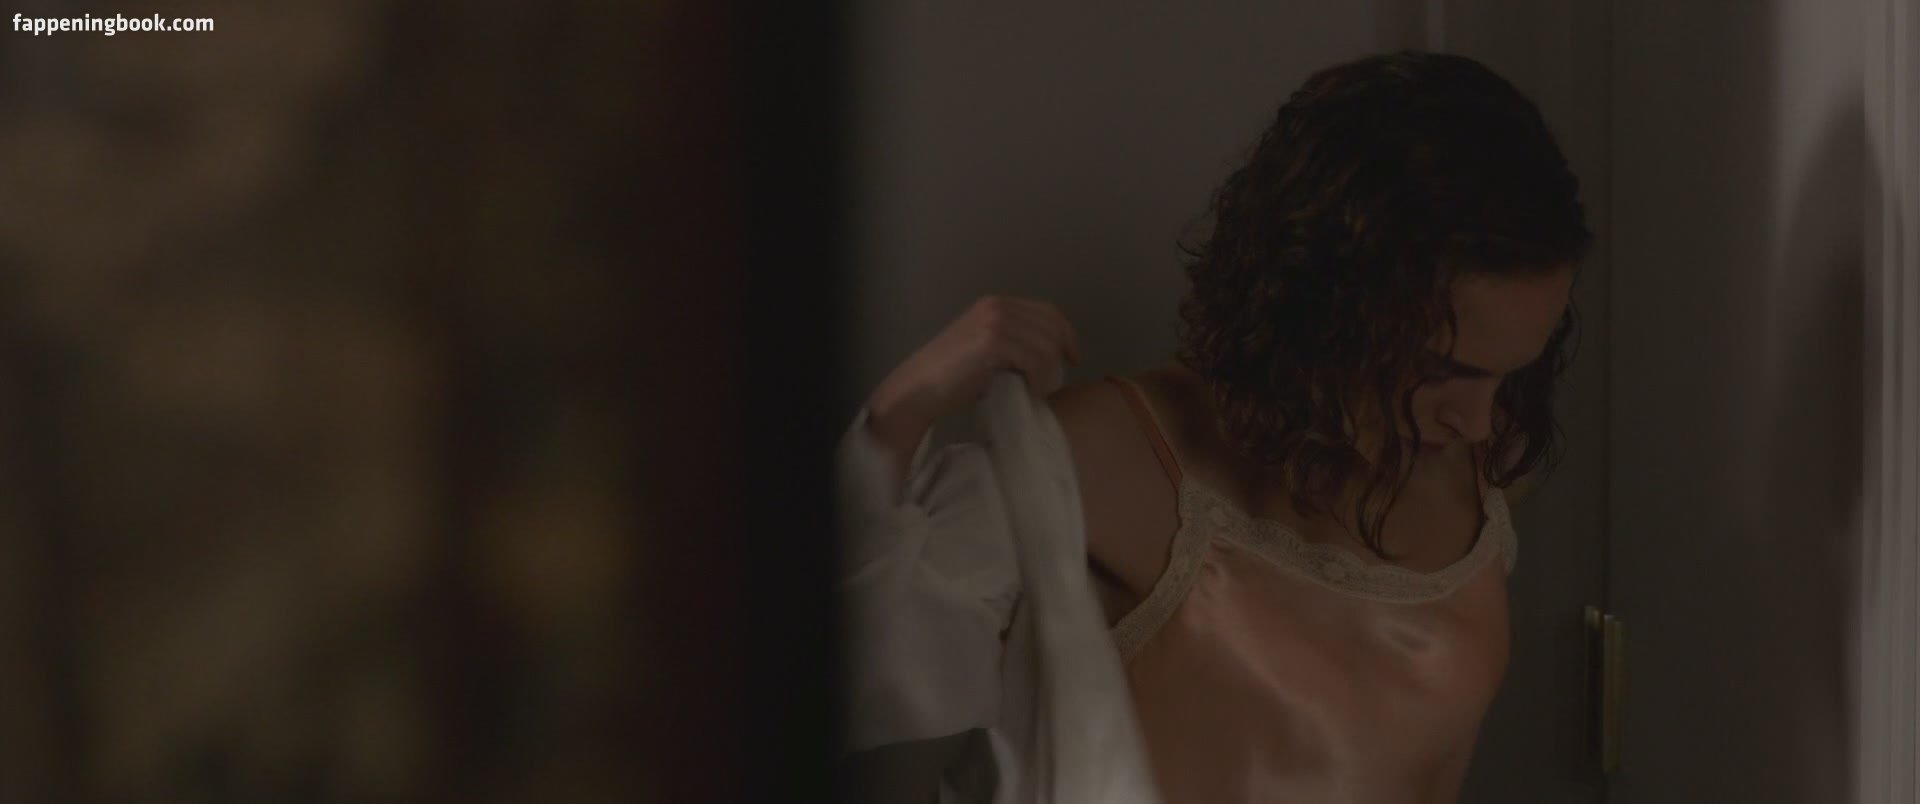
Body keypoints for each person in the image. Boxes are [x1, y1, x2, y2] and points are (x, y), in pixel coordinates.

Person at [843, 51, 1590, 803]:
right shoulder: (1097, 459)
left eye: (1508, 375)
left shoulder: (1464, 458)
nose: (1478, 420)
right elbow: (849, 677)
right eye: (1439, 369)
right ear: (1332, 304)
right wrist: (897, 415)